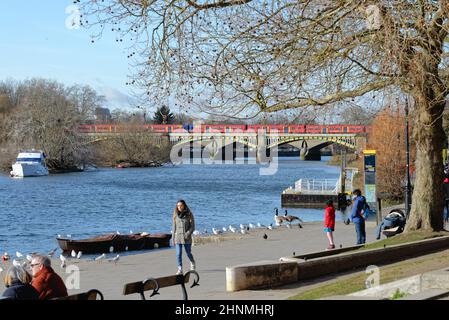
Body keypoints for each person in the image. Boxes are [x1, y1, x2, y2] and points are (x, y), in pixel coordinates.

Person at [172, 199, 196, 275]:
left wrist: (187, 234)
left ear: (184, 206)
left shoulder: (189, 214)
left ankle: (192, 262)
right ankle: (180, 269)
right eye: (178, 206)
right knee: (178, 254)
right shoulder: (175, 215)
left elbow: (192, 227)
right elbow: (173, 227)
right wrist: (173, 239)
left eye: (181, 205)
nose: (179, 207)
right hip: (178, 237)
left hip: (187, 238)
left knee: (188, 253)